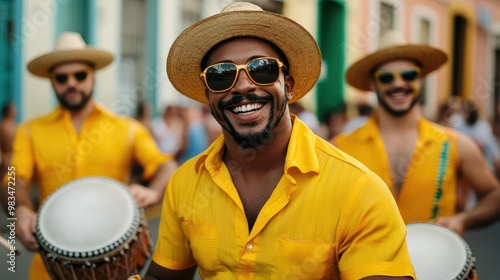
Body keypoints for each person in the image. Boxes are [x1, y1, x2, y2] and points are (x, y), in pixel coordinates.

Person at [136, 3, 415, 279]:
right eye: (221, 75)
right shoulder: (185, 183)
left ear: (289, 86)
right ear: (208, 95)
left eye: (263, 69)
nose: (243, 85)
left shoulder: (359, 191)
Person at [1, 32, 178, 280]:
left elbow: (166, 165)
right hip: (48, 269)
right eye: (61, 77)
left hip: (117, 267)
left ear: (93, 77)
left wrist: (154, 191)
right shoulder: (29, 131)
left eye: (80, 75)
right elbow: (14, 178)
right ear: (52, 82)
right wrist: (19, 207)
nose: (71, 83)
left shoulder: (126, 128)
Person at [333, 31, 500, 237]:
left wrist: (463, 219)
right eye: (386, 78)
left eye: (409, 75)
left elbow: (494, 194)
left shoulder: (456, 144)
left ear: (421, 78)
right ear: (372, 84)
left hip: (440, 266)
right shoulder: (340, 149)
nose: (398, 84)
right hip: (367, 268)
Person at [0, 102, 17, 180]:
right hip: (10, 160)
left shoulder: (3, 126)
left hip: (7, 160)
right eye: (14, 109)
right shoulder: (14, 127)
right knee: (10, 187)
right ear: (10, 112)